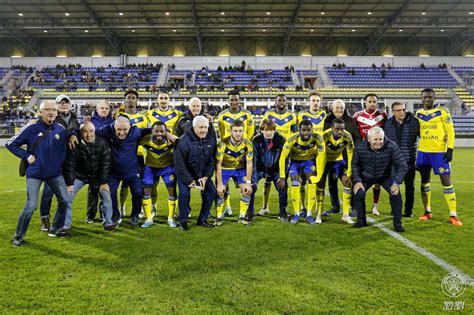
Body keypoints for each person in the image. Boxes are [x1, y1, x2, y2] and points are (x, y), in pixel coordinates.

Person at [6, 100, 70, 246]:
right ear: (41, 112)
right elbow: (11, 143)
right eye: (47, 109)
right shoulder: (32, 128)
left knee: (65, 201)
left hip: (55, 173)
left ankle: (56, 229)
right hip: (35, 173)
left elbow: (63, 151)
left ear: (57, 112)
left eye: (54, 110)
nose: (51, 112)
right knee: (31, 206)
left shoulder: (60, 129)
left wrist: (58, 163)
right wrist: (27, 156)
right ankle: (18, 236)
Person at [415, 88, 462, 226]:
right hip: (423, 153)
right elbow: (417, 132)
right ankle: (427, 211)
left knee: (446, 181)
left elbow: (450, 131)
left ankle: (453, 215)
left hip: (439, 153)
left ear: (434, 98)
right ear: (421, 99)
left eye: (429, 97)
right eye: (424, 97)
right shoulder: (418, 114)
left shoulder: (443, 111)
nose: (426, 99)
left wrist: (450, 149)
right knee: (424, 181)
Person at [95, 116, 150, 227]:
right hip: (113, 173)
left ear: (130, 127)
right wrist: (73, 135)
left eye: (125, 129)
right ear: (114, 127)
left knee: (138, 193)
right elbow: (89, 130)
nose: (122, 132)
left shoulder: (137, 131)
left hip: (132, 171)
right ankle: (116, 215)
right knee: (110, 193)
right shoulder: (107, 130)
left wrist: (167, 133)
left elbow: (155, 129)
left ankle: (135, 215)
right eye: (119, 129)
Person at [352, 127, 407, 232]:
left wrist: (396, 183)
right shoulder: (360, 147)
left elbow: (402, 165)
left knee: (396, 195)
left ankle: (398, 224)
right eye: (375, 139)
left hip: (385, 176)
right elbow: (355, 165)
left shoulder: (391, 146)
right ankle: (361, 220)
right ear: (369, 139)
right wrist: (358, 181)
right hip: (366, 176)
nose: (379, 142)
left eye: (380, 139)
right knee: (359, 193)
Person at [63, 122, 115, 230]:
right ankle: (66, 224)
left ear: (94, 131)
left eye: (91, 131)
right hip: (79, 176)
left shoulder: (102, 142)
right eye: (85, 132)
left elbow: (106, 164)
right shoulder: (74, 143)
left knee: (106, 194)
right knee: (67, 197)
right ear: (80, 133)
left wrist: (103, 182)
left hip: (96, 177)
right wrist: (69, 184)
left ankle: (108, 223)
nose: (88, 135)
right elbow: (70, 165)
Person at [38, 94, 79, 231]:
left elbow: (77, 132)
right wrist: (71, 135)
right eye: (60, 103)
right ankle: (44, 217)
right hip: (52, 160)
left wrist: (75, 134)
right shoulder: (52, 118)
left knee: (65, 193)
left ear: (70, 104)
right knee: (48, 192)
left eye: (66, 102)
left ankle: (63, 221)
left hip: (67, 161)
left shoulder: (74, 119)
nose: (63, 105)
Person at [173, 116, 217, 231]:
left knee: (211, 191)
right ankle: (183, 221)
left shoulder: (211, 140)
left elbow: (212, 160)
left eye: (206, 127)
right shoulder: (183, 141)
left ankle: (202, 219)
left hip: (201, 174)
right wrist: (189, 180)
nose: (203, 130)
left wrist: (206, 176)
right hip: (185, 175)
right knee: (184, 194)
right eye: (201, 127)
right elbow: (179, 164)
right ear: (194, 127)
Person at [278, 120, 326, 225]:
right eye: (303, 130)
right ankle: (297, 213)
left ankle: (309, 214)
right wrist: (282, 177)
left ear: (312, 130)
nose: (306, 133)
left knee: (311, 182)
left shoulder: (318, 138)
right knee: (295, 183)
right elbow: (282, 157)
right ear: (299, 130)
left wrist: (318, 176)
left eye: (308, 130)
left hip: (309, 162)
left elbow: (322, 156)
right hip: (295, 162)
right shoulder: (292, 139)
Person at [217, 90, 255, 216]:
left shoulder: (247, 114)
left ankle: (243, 213)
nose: (234, 102)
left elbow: (250, 133)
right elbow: (222, 135)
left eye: (236, 100)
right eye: (231, 100)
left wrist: (243, 149)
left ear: (239, 100)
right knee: (224, 186)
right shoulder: (222, 115)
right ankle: (227, 208)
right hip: (227, 153)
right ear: (228, 101)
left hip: (241, 153)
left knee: (243, 186)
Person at [260, 94, 297, 215]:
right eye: (279, 100)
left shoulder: (292, 115)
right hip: (270, 150)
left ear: (286, 102)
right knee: (267, 179)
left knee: (283, 179)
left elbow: (295, 132)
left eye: (284, 100)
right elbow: (263, 130)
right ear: (275, 102)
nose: (282, 102)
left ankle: (284, 207)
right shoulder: (268, 114)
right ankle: (265, 206)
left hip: (285, 151)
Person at [323, 99, 361, 215]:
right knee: (332, 183)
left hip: (347, 157)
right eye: (337, 107)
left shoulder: (351, 121)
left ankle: (353, 206)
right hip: (331, 157)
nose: (339, 110)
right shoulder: (327, 121)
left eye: (341, 108)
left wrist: (356, 152)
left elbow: (357, 138)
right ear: (332, 109)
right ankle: (335, 206)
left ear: (344, 109)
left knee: (349, 181)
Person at [115, 90, 148, 217]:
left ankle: (138, 208)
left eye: (133, 97)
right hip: (123, 154)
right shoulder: (119, 117)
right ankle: (122, 207)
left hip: (138, 155)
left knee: (138, 183)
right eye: (128, 98)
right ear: (124, 101)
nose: (130, 100)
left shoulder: (143, 118)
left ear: (136, 100)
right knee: (124, 182)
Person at [353, 93, 388, 216]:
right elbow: (355, 134)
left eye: (375, 102)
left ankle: (375, 206)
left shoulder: (383, 116)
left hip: (379, 153)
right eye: (370, 102)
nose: (372, 104)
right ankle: (356, 207)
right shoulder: (357, 116)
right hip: (363, 154)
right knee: (360, 180)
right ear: (365, 103)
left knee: (378, 181)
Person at [384, 102, 420, 218]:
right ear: (393, 112)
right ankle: (395, 210)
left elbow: (424, 136)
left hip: (409, 162)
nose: (401, 112)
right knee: (393, 188)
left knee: (410, 189)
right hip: (394, 163)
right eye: (398, 110)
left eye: (403, 109)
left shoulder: (414, 122)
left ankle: (408, 211)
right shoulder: (387, 123)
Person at [139, 121, 178, 228]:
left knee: (172, 190)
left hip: (167, 168)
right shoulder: (145, 140)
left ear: (166, 132)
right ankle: (148, 219)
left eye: (162, 131)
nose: (159, 134)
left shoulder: (172, 139)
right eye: (156, 131)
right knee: (146, 190)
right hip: (150, 168)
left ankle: (171, 218)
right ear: (152, 131)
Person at [215, 120, 254, 225]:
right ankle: (218, 217)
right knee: (220, 192)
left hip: (240, 170)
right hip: (224, 169)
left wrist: (248, 182)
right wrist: (219, 184)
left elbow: (249, 163)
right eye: (235, 131)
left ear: (243, 131)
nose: (238, 133)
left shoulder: (248, 144)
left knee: (247, 191)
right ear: (230, 131)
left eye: (240, 131)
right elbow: (218, 164)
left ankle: (241, 216)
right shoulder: (222, 144)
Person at [249, 119, 288, 220]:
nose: (268, 132)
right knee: (251, 188)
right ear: (261, 130)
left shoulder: (281, 140)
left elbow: (286, 160)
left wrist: (283, 177)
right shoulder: (256, 140)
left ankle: (282, 212)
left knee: (283, 188)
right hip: (260, 169)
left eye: (271, 130)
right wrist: (253, 179)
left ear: (274, 130)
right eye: (266, 130)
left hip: (275, 170)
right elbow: (254, 159)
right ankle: (249, 213)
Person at [318, 118, 355, 224]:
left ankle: (346, 215)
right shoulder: (324, 136)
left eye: (342, 129)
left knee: (348, 182)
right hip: (325, 161)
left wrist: (349, 172)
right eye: (337, 129)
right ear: (332, 128)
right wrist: (319, 170)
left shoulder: (347, 136)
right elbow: (318, 153)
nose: (340, 131)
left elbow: (350, 153)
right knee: (320, 184)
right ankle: (319, 214)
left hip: (338, 161)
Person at [87, 99, 114, 222]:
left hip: (108, 160)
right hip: (93, 159)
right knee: (93, 189)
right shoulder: (90, 121)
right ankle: (90, 215)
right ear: (96, 109)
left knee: (106, 188)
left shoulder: (113, 120)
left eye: (106, 108)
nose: (104, 110)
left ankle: (104, 215)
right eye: (102, 108)